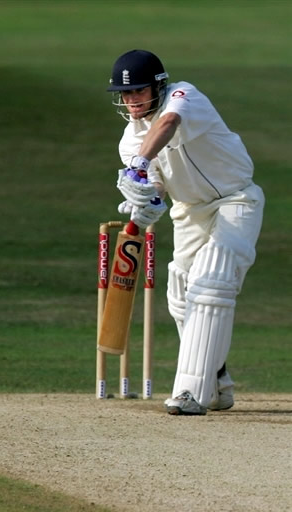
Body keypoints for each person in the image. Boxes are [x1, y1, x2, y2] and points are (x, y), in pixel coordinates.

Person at [107, 49, 265, 415]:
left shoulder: (184, 95)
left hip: (235, 200)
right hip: (189, 212)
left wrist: (141, 165)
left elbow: (168, 124)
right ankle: (216, 379)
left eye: (139, 92)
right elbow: (157, 188)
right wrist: (146, 204)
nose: (131, 101)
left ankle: (189, 392)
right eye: (126, 94)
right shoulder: (129, 142)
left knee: (212, 283)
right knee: (180, 290)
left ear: (159, 87)